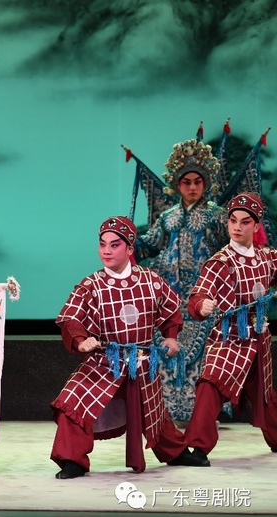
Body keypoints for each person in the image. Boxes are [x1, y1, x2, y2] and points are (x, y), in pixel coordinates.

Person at [51, 216, 209, 479]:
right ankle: (72, 460)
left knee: (154, 411)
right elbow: (71, 318)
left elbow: (170, 311)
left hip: (142, 361)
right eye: (102, 244)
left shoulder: (151, 281)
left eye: (114, 245)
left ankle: (175, 452)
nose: (106, 251)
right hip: (105, 361)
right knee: (73, 401)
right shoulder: (91, 285)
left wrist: (170, 337)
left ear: (130, 249)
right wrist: (81, 339)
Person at [135, 138, 227, 425]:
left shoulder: (216, 215)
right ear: (177, 185)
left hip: (203, 297)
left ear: (205, 183)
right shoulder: (168, 217)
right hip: (171, 296)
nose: (192, 187)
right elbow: (150, 245)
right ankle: (166, 411)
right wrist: (129, 243)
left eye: (197, 182)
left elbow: (230, 249)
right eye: (186, 182)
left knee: (203, 354)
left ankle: (204, 413)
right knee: (169, 349)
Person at [183, 192, 277, 464]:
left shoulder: (268, 258)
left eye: (244, 222)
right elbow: (198, 294)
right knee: (210, 384)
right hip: (229, 337)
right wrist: (201, 305)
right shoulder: (220, 262)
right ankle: (198, 448)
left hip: (259, 337)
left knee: (265, 395)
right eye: (233, 220)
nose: (237, 227)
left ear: (256, 226)